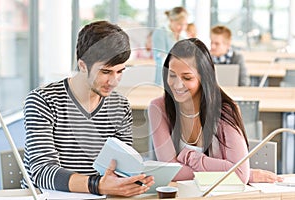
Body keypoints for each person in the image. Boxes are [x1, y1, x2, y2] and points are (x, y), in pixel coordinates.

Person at [22, 21, 154, 197]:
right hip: (48, 195)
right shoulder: (42, 100)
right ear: (83, 66)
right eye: (106, 72)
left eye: (120, 71)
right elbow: (42, 172)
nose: (114, 81)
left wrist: (131, 180)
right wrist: (97, 185)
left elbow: (121, 166)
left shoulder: (120, 106)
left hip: (96, 195)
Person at [148, 38, 283, 184]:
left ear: (204, 77)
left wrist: (191, 158)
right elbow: (171, 172)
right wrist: (234, 173)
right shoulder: (158, 108)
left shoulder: (225, 110)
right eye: (172, 75)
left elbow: (238, 174)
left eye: (187, 77)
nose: (177, 84)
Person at [152, 6, 188, 85]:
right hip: (164, 74)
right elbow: (161, 57)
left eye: (184, 24)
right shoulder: (160, 32)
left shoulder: (183, 35)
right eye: (179, 24)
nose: (182, 28)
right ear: (171, 21)